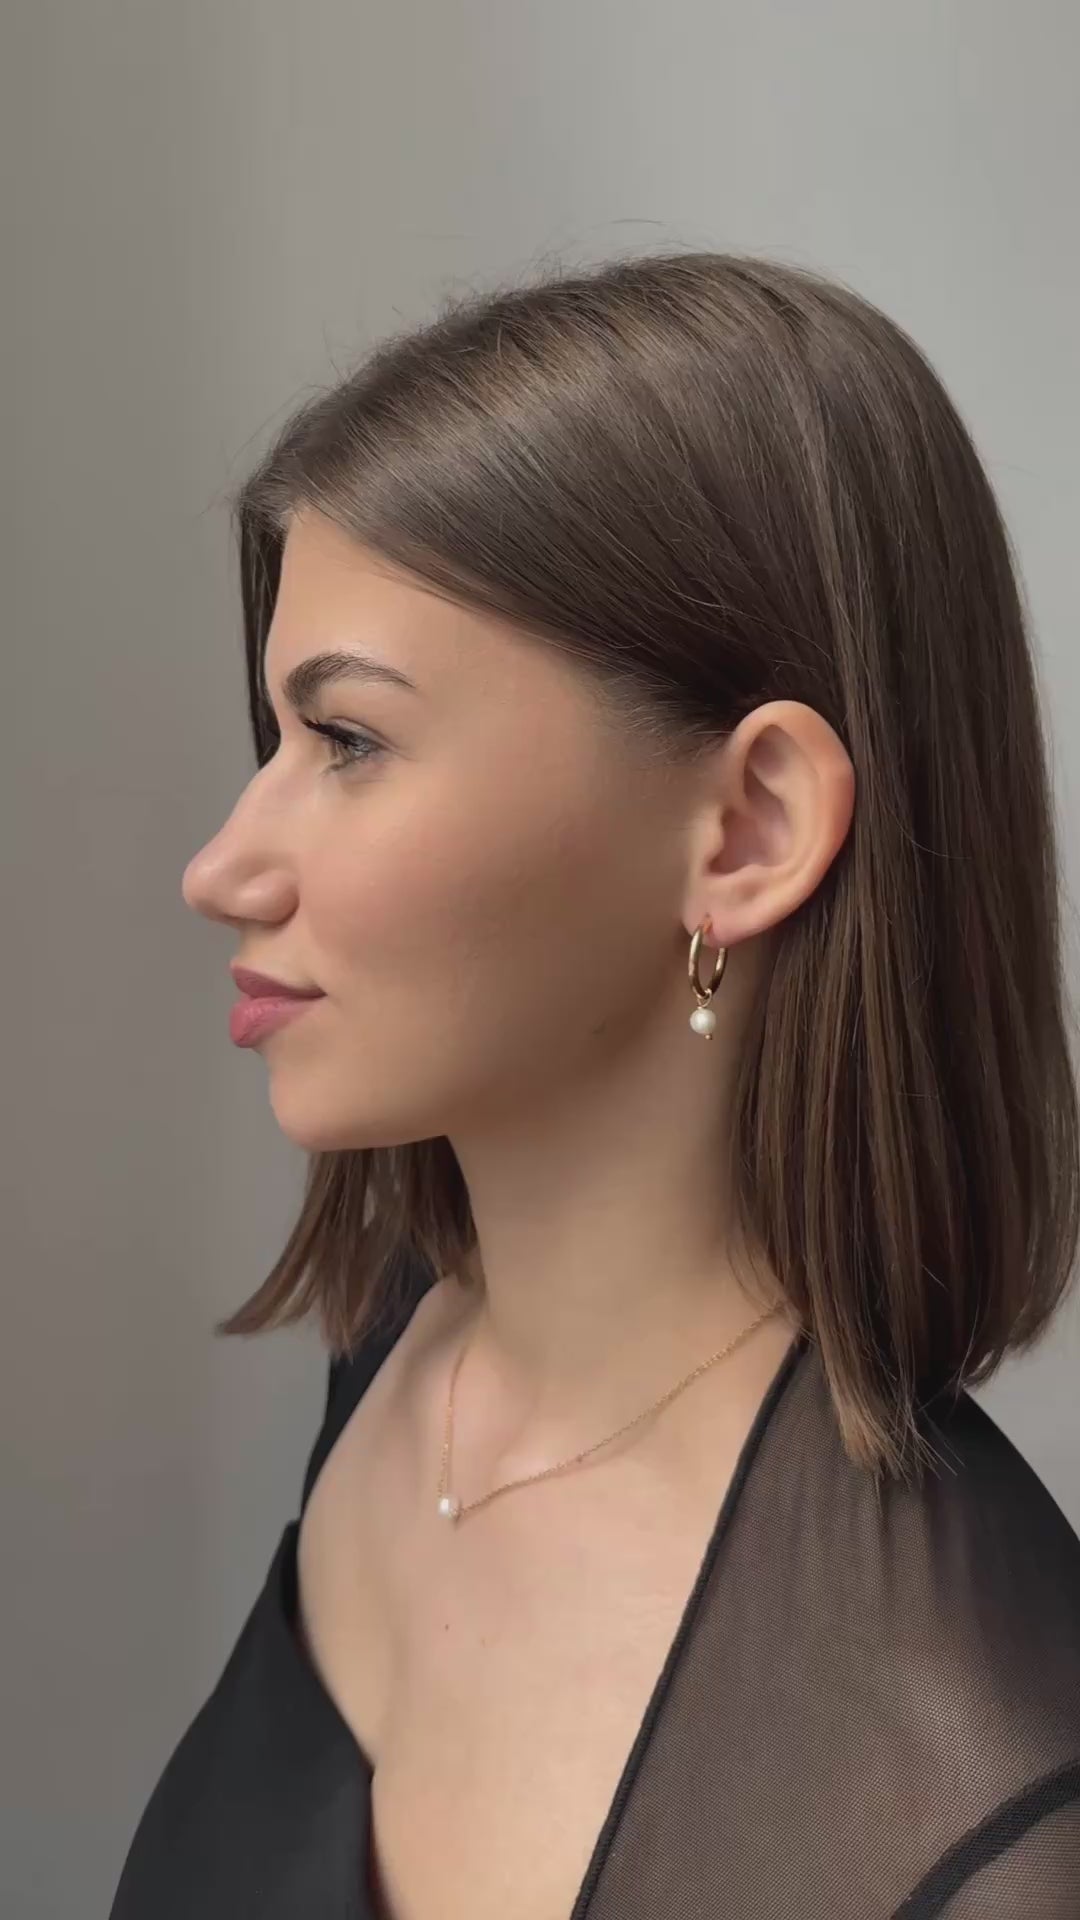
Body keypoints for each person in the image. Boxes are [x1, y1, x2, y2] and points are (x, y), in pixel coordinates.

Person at [109, 251, 1080, 1919]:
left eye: (349, 742)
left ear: (750, 829)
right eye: (279, 738)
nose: (222, 868)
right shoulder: (397, 1349)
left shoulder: (983, 1803)